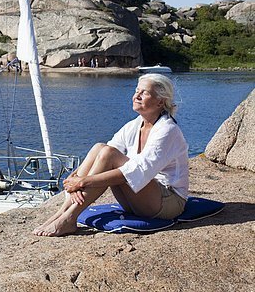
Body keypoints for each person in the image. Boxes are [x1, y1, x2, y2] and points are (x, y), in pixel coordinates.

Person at [33, 73, 188, 237]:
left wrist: (83, 181)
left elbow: (138, 170)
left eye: (145, 93)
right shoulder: (134, 125)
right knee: (99, 147)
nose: (137, 96)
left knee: (109, 153)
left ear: (160, 101)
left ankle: (70, 217)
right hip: (140, 199)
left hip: (168, 202)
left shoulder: (167, 130)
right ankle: (62, 213)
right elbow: (102, 154)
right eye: (137, 91)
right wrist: (76, 179)